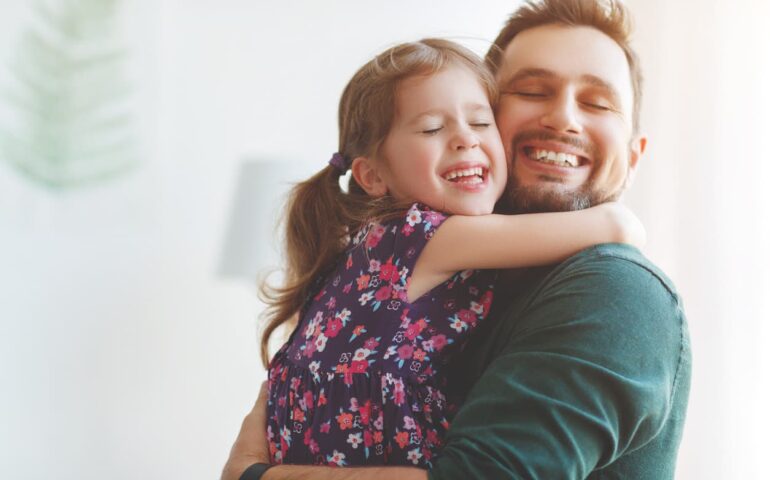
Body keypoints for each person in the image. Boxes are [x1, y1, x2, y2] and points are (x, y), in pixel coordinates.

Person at [222, 0, 691, 478]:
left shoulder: (611, 288)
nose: (562, 118)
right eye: (531, 90)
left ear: (635, 157)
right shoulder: (451, 269)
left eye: (597, 102)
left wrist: (258, 476)